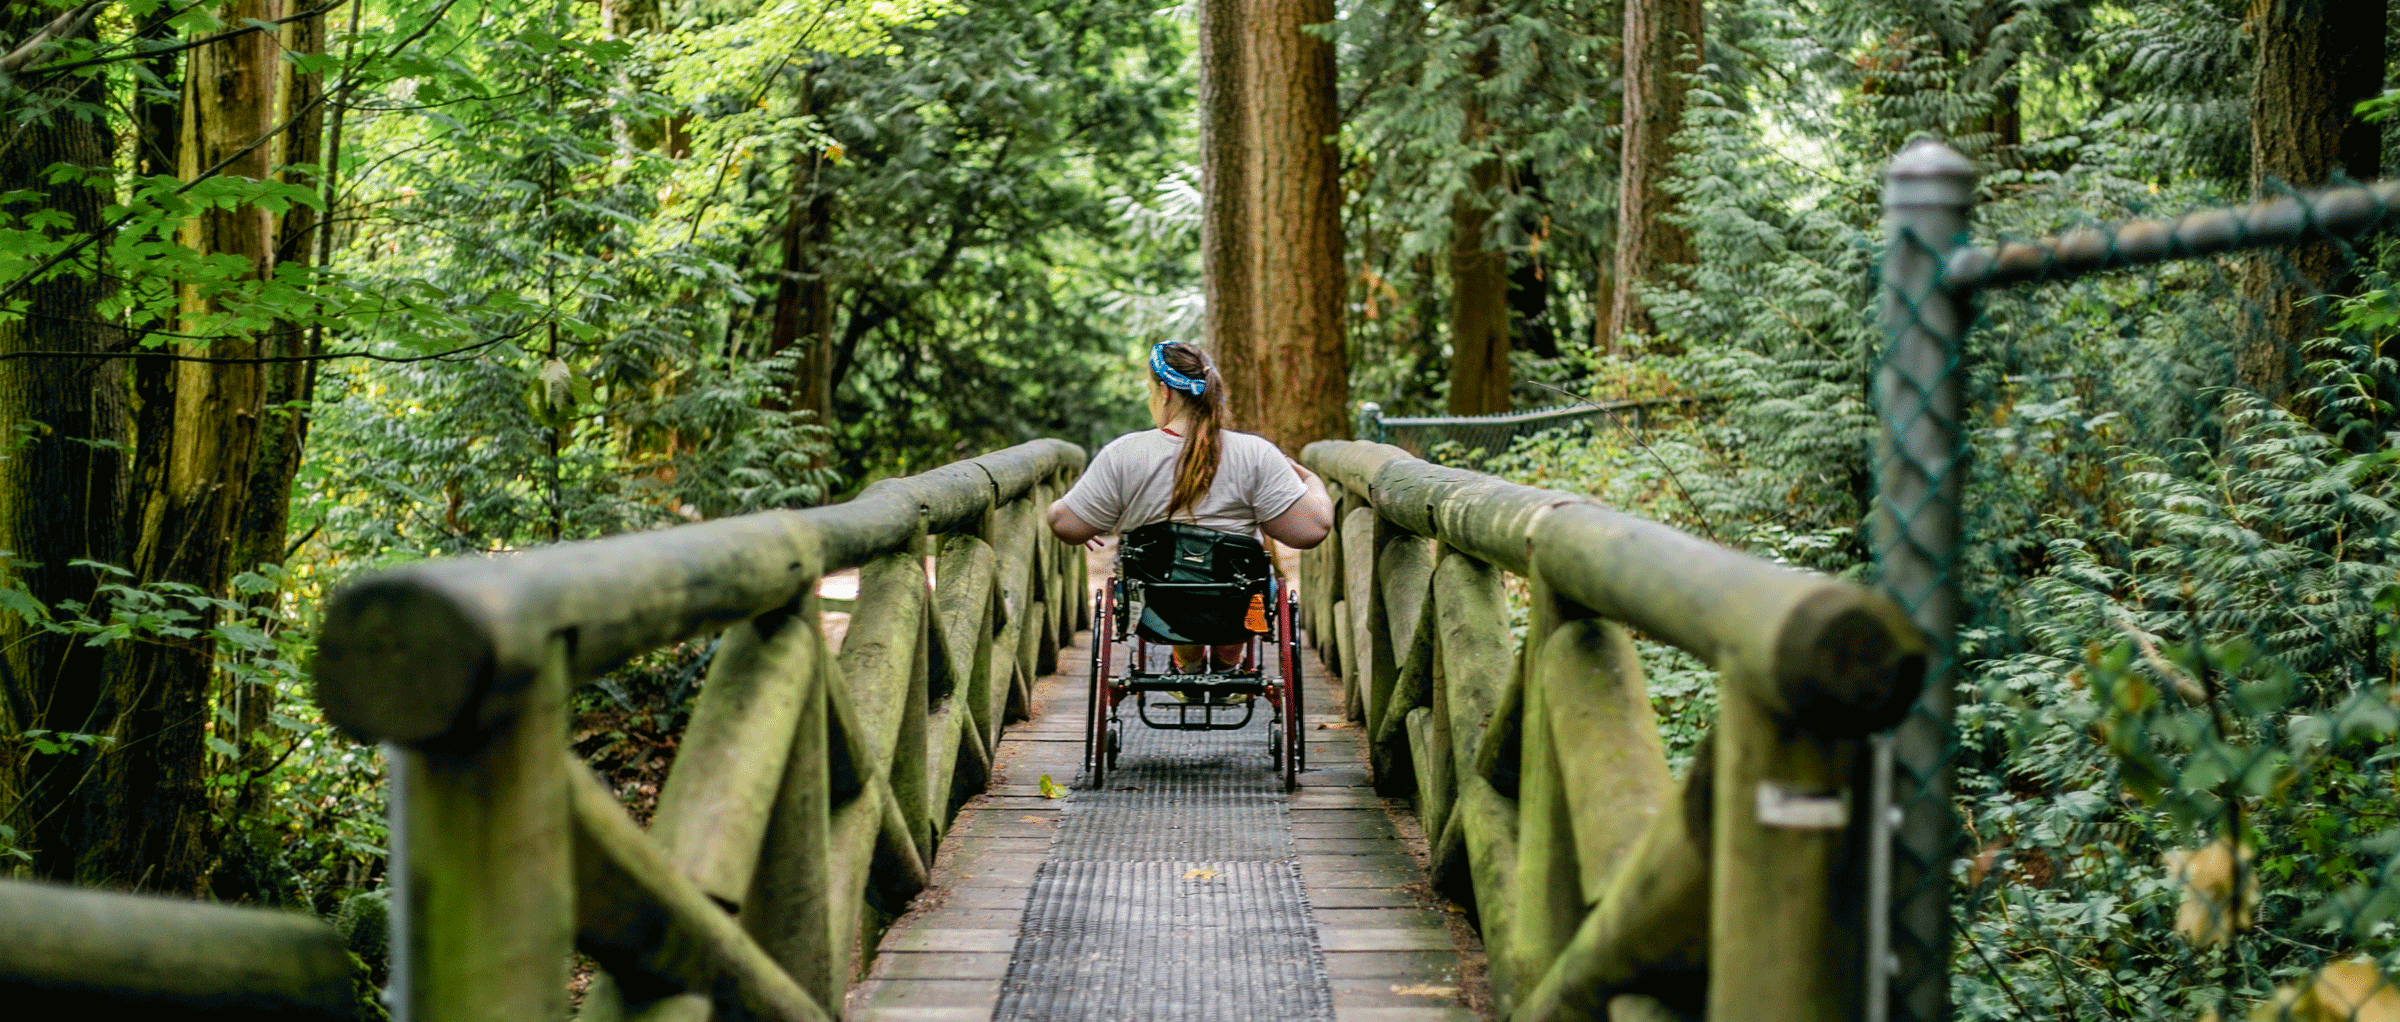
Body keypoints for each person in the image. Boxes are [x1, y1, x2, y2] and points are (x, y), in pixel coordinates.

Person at [1047, 341, 1334, 673]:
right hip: (1235, 607)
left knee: (1175, 578)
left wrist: (1082, 513)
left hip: (1155, 609)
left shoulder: (1125, 453)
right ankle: (1227, 663)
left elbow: (1064, 524)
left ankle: (1189, 661)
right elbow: (1312, 530)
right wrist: (1312, 480)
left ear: (1165, 391)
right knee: (1242, 580)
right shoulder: (1256, 453)